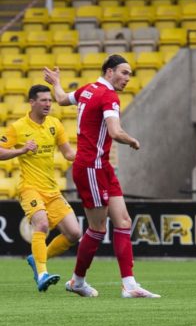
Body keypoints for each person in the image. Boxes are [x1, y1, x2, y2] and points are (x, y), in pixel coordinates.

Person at [43, 55, 160, 298]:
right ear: (109, 72)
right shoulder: (108, 96)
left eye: (130, 74)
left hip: (101, 166)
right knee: (97, 228)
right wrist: (133, 140)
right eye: (124, 72)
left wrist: (56, 82)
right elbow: (116, 131)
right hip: (90, 167)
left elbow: (63, 99)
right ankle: (77, 280)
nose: (128, 78)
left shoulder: (88, 89)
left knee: (124, 221)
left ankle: (129, 285)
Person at [0, 84, 82, 292]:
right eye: (44, 100)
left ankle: (37, 258)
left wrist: (88, 156)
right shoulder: (18, 127)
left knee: (74, 233)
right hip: (29, 188)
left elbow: (68, 154)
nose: (48, 104)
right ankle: (42, 273)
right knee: (42, 225)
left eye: (50, 100)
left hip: (52, 190)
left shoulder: (55, 124)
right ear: (32, 102)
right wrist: (22, 150)